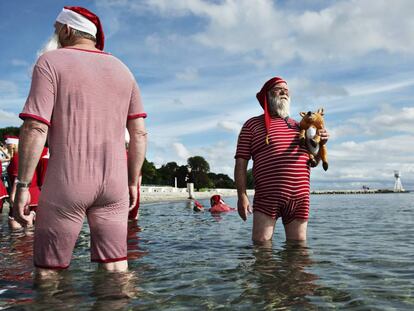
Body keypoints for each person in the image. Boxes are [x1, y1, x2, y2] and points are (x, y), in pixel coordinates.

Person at [13, 6, 147, 277]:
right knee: (116, 269)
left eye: (56, 29)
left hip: (67, 182)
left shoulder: (50, 62)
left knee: (49, 272)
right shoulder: (124, 70)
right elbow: (139, 134)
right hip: (115, 184)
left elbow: (36, 126)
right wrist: (133, 181)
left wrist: (23, 185)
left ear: (67, 29)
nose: (56, 34)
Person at [234, 76, 329, 242]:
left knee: (298, 249)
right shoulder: (252, 125)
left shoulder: (300, 126)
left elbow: (313, 161)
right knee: (261, 247)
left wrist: (320, 145)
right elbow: (241, 163)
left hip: (299, 197)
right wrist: (242, 196)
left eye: (287, 90)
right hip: (267, 196)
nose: (284, 92)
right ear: (268, 95)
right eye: (279, 89)